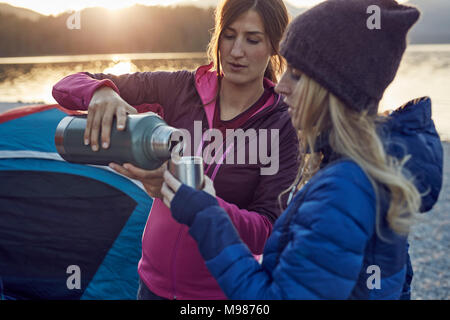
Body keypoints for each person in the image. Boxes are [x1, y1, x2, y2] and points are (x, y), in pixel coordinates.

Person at [161, 0, 444, 299]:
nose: (280, 86)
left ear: (333, 88)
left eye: (295, 73)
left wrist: (206, 215)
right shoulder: (371, 168)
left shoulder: (344, 189)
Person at [52, 0, 299, 299]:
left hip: (220, 294)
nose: (236, 51)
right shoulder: (180, 88)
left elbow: (268, 231)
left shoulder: (283, 124)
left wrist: (195, 201)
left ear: (276, 45)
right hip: (151, 287)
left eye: (253, 39)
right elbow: (66, 86)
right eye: (229, 35)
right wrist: (100, 91)